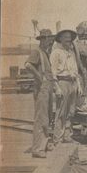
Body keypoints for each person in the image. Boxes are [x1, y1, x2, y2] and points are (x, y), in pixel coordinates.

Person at [25, 29, 56, 158]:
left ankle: (45, 143)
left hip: (47, 88)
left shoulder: (45, 53)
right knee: (40, 118)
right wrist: (40, 77)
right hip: (41, 88)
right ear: (42, 39)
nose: (50, 41)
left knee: (47, 117)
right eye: (47, 38)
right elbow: (28, 65)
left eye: (50, 38)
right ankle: (37, 149)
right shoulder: (36, 51)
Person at [50, 29, 82, 145]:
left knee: (71, 111)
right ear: (61, 39)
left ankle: (67, 136)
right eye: (65, 37)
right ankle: (57, 138)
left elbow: (75, 70)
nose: (68, 40)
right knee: (61, 112)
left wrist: (78, 85)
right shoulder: (56, 53)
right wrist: (56, 87)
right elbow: (52, 72)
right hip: (62, 82)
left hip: (73, 83)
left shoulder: (72, 53)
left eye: (69, 37)